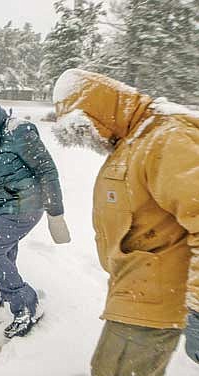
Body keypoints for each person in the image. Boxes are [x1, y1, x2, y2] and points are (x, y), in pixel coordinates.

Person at [52, 68, 199, 375]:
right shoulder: (133, 141)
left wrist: (198, 307)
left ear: (98, 110)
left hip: (153, 303)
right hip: (133, 296)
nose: (96, 140)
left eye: (89, 128)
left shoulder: (165, 138)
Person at [0, 91, 71, 339]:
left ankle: (27, 304)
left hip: (26, 206)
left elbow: (47, 171)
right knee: (6, 254)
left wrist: (55, 213)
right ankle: (9, 296)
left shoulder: (18, 132)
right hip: (3, 206)